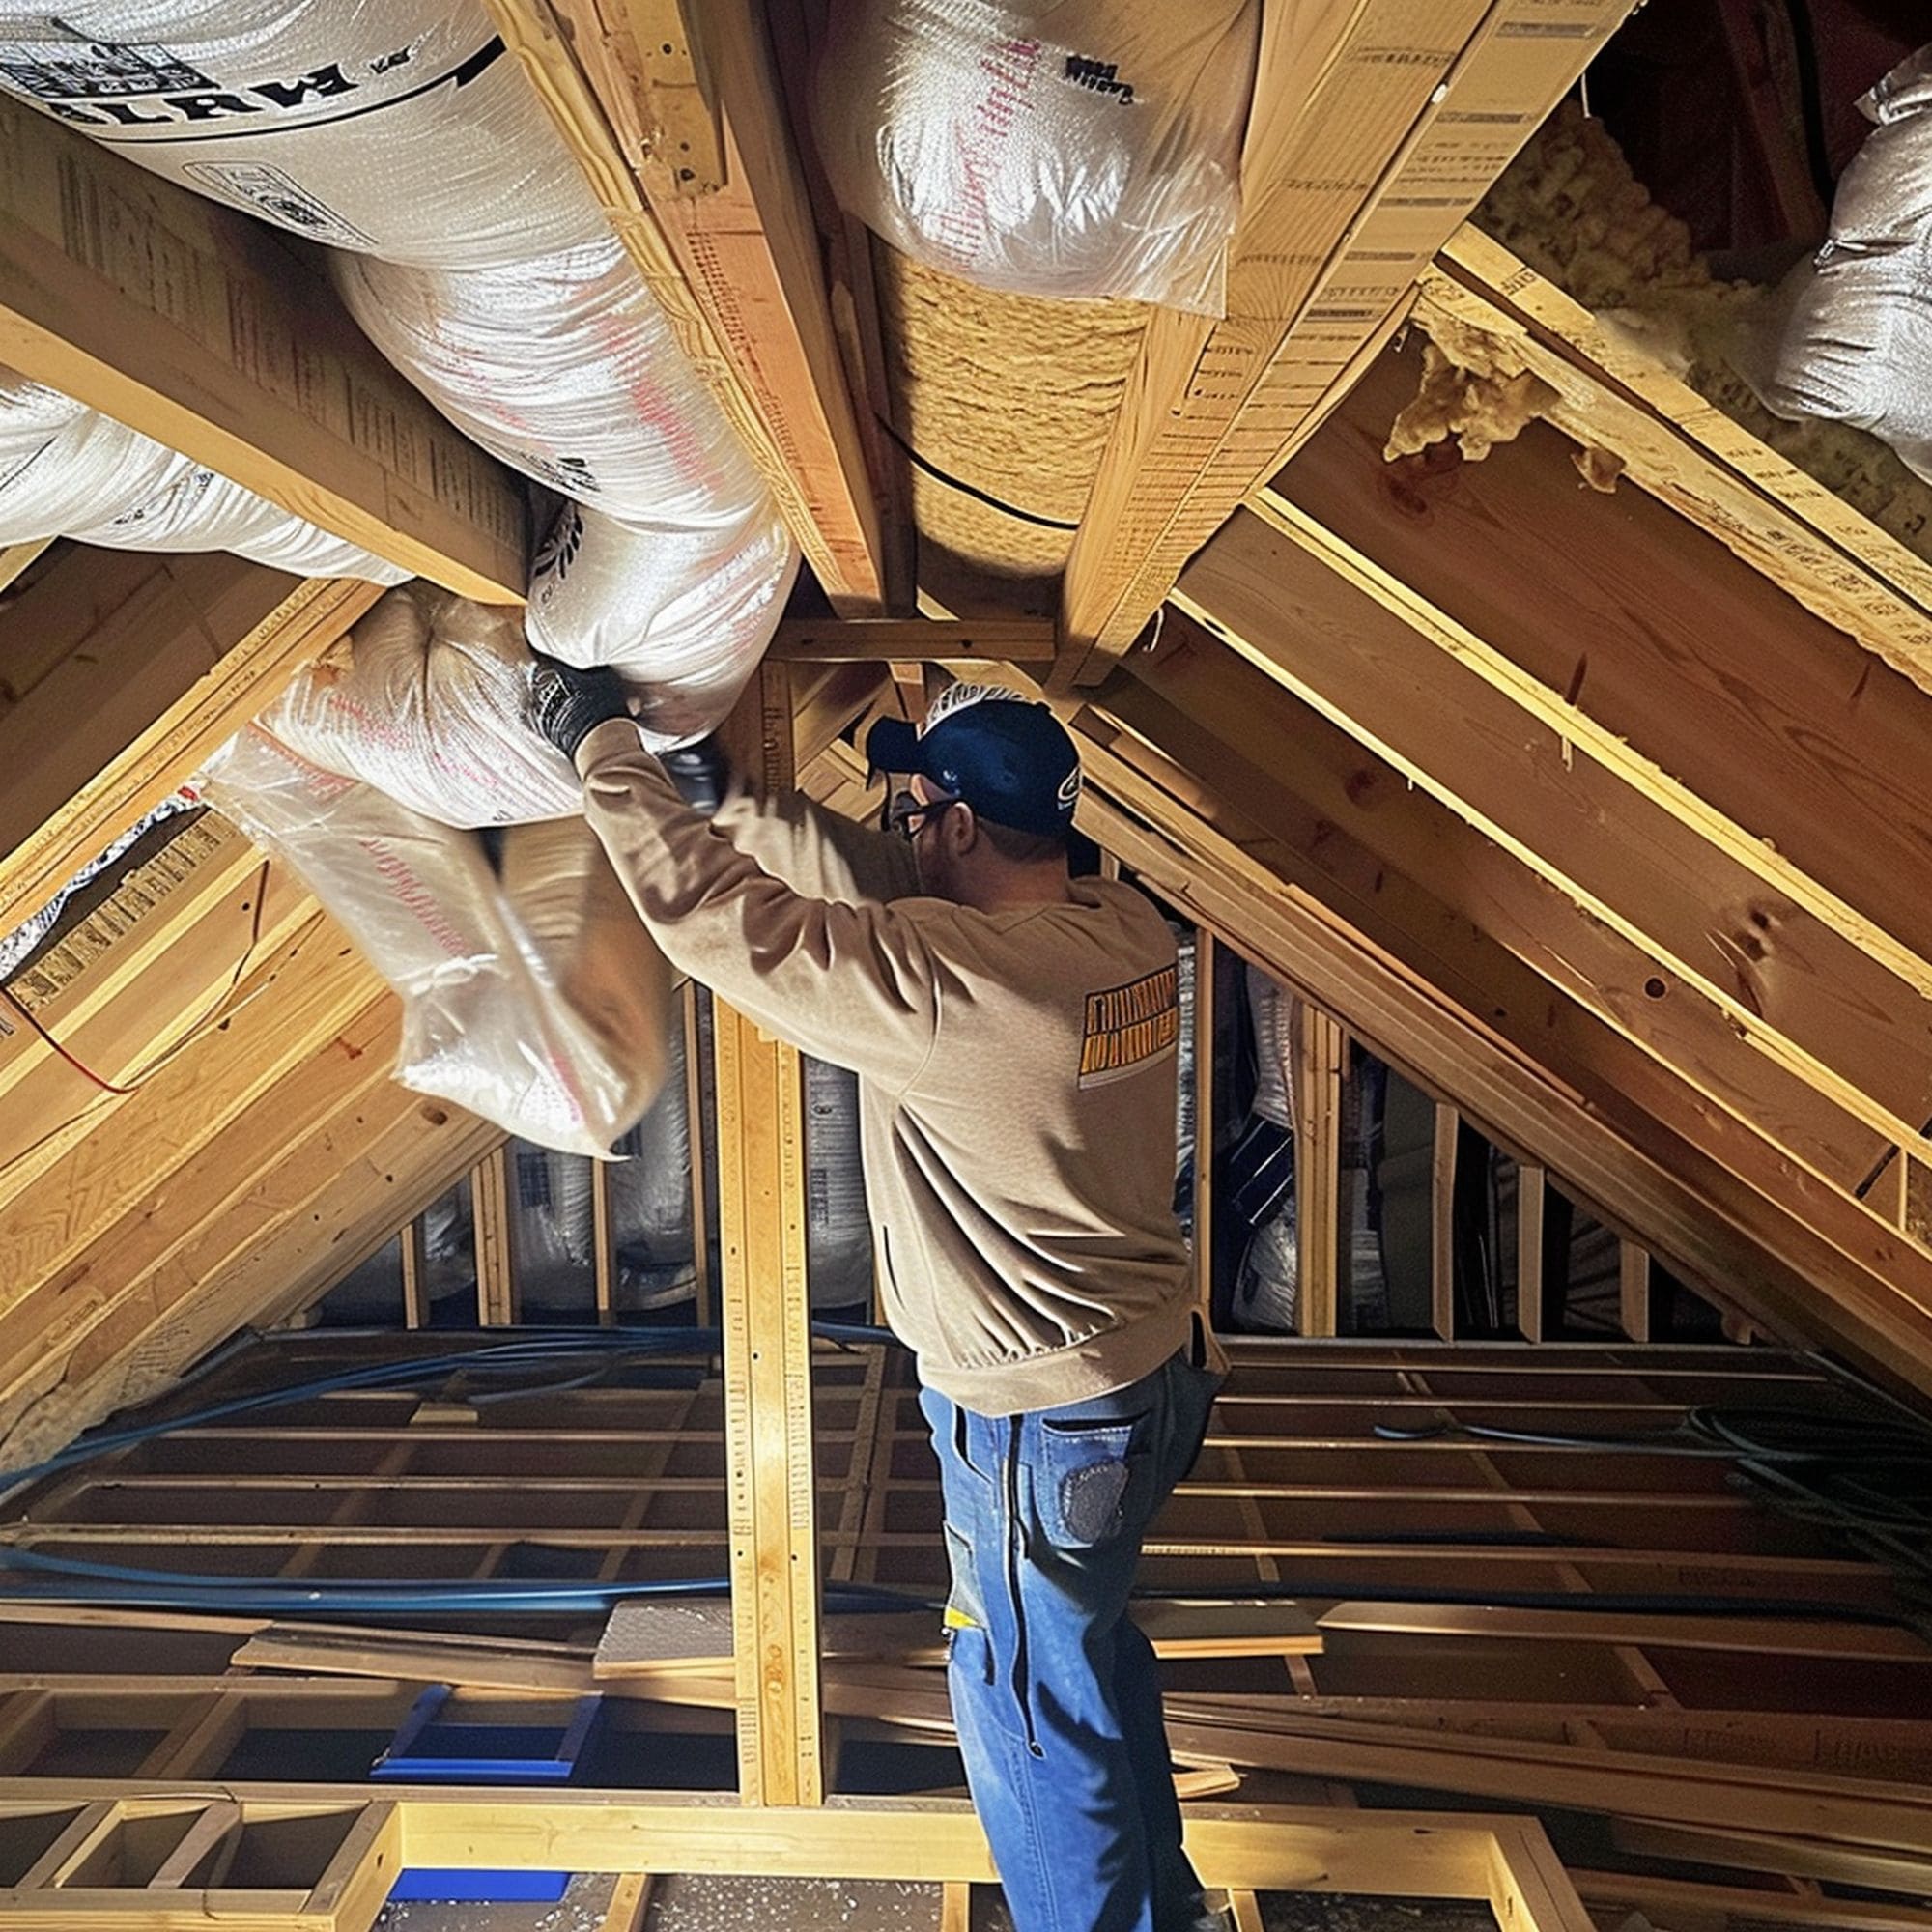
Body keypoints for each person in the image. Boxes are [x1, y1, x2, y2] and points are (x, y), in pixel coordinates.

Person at [531, 660, 1226, 1932]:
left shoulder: (950, 984)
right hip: (1149, 1381)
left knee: (1022, 1703)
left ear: (961, 826)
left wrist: (605, 753)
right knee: (1088, 1668)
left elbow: (716, 925)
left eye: (915, 811)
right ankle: (1159, 1914)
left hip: (1042, 1427)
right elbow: (891, 888)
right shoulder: (1121, 931)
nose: (900, 832)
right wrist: (727, 793)